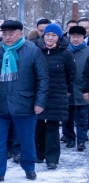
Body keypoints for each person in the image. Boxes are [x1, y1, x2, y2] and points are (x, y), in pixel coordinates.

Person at [0, 19, 48, 183]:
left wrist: (40, 102)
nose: (7, 37)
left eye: (11, 34)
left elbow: (42, 79)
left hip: (25, 104)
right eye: (4, 34)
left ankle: (29, 167)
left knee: (26, 139)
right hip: (1, 104)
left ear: (20, 34)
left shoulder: (32, 51)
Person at [34, 23, 75, 169]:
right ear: (43, 36)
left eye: (54, 35)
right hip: (38, 93)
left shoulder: (66, 53)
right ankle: (38, 154)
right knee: (38, 125)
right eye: (47, 35)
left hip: (57, 94)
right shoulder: (36, 50)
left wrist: (67, 90)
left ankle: (52, 158)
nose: (50, 38)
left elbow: (71, 74)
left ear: (59, 37)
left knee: (52, 126)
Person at [67, 25, 89, 151]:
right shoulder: (65, 51)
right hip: (68, 91)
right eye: (73, 37)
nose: (75, 39)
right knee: (67, 118)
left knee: (83, 118)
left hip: (83, 90)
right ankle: (70, 139)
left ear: (83, 37)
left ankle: (81, 140)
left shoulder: (87, 51)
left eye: (78, 37)